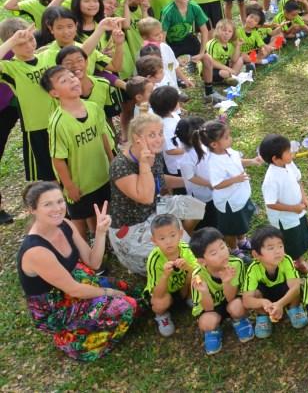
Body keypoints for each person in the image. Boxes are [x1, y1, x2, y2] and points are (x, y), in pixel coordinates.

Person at [17, 181, 136, 361]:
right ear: (32, 210)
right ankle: (69, 341)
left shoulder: (64, 224)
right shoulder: (36, 251)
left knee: (128, 290)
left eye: (60, 201)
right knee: (125, 305)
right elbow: (74, 290)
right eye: (47, 204)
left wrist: (100, 232)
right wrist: (109, 293)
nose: (57, 208)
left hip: (73, 283)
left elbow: (93, 262)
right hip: (55, 307)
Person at [108, 113, 204, 273]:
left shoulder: (155, 152)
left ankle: (181, 239)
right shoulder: (120, 165)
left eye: (160, 133)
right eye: (152, 135)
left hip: (155, 207)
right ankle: (165, 254)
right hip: (132, 225)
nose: (159, 139)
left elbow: (159, 179)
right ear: (136, 138)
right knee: (178, 258)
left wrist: (189, 180)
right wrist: (145, 165)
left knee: (196, 208)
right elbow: (145, 197)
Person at [43, 66, 114, 237]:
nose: (73, 80)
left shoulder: (93, 107)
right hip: (80, 184)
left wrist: (112, 161)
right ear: (54, 93)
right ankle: (83, 257)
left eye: (72, 76)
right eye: (64, 80)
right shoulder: (58, 123)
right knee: (79, 220)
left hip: (102, 175)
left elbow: (103, 136)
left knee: (102, 213)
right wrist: (69, 186)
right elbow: (58, 159)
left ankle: (102, 245)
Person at [189, 226, 254, 354]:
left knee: (238, 306)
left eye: (222, 247)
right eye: (214, 253)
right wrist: (204, 292)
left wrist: (227, 281)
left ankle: (239, 320)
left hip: (231, 300)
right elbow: (207, 308)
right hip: (212, 307)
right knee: (206, 323)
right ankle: (214, 330)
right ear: (202, 261)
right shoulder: (198, 276)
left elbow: (231, 298)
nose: (222, 253)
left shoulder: (236, 264)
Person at [202, 119, 259, 252]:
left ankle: (242, 240)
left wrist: (251, 161)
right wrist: (235, 179)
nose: (230, 139)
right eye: (226, 137)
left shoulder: (228, 151)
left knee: (240, 223)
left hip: (239, 196)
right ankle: (234, 248)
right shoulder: (214, 162)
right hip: (229, 202)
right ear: (214, 144)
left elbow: (236, 161)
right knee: (231, 229)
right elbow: (216, 184)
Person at [241, 225, 308, 338]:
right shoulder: (253, 269)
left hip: (283, 292)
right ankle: (263, 316)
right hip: (265, 295)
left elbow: (295, 289)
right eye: (271, 248)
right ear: (256, 254)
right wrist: (263, 302)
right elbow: (247, 300)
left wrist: (280, 304)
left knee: (295, 286)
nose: (278, 251)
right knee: (256, 294)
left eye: (280, 246)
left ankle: (294, 309)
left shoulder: (286, 260)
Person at [259, 133, 308, 267]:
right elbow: (271, 203)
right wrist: (293, 208)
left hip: (298, 211)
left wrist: (304, 197)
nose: (292, 153)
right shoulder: (271, 179)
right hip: (286, 219)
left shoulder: (289, 164)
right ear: (276, 159)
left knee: (301, 235)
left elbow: (297, 179)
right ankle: (292, 264)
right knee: (291, 242)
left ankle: (298, 261)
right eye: (288, 152)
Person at [145, 213, 196, 337]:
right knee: (159, 303)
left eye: (173, 235)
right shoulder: (154, 259)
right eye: (162, 238)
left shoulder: (185, 249)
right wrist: (165, 275)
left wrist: (188, 268)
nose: (168, 242)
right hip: (164, 292)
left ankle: (189, 297)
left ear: (180, 234)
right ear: (154, 241)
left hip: (183, 288)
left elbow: (198, 272)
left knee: (196, 276)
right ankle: (162, 315)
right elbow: (156, 293)